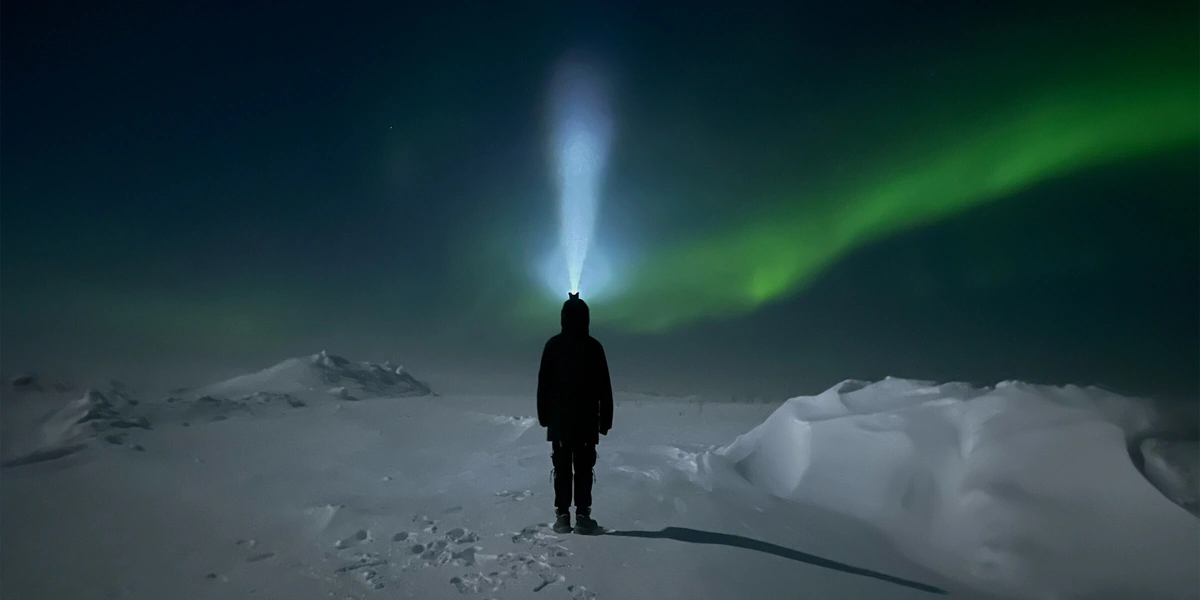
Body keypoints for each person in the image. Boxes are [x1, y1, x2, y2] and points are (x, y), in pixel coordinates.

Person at [537, 292, 613, 534]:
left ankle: (562, 516)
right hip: (586, 421)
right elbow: (604, 386)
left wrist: (544, 416)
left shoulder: (553, 345)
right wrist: (605, 420)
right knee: (583, 470)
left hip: (560, 421)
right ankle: (582, 516)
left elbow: (543, 384)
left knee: (562, 469)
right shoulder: (593, 347)